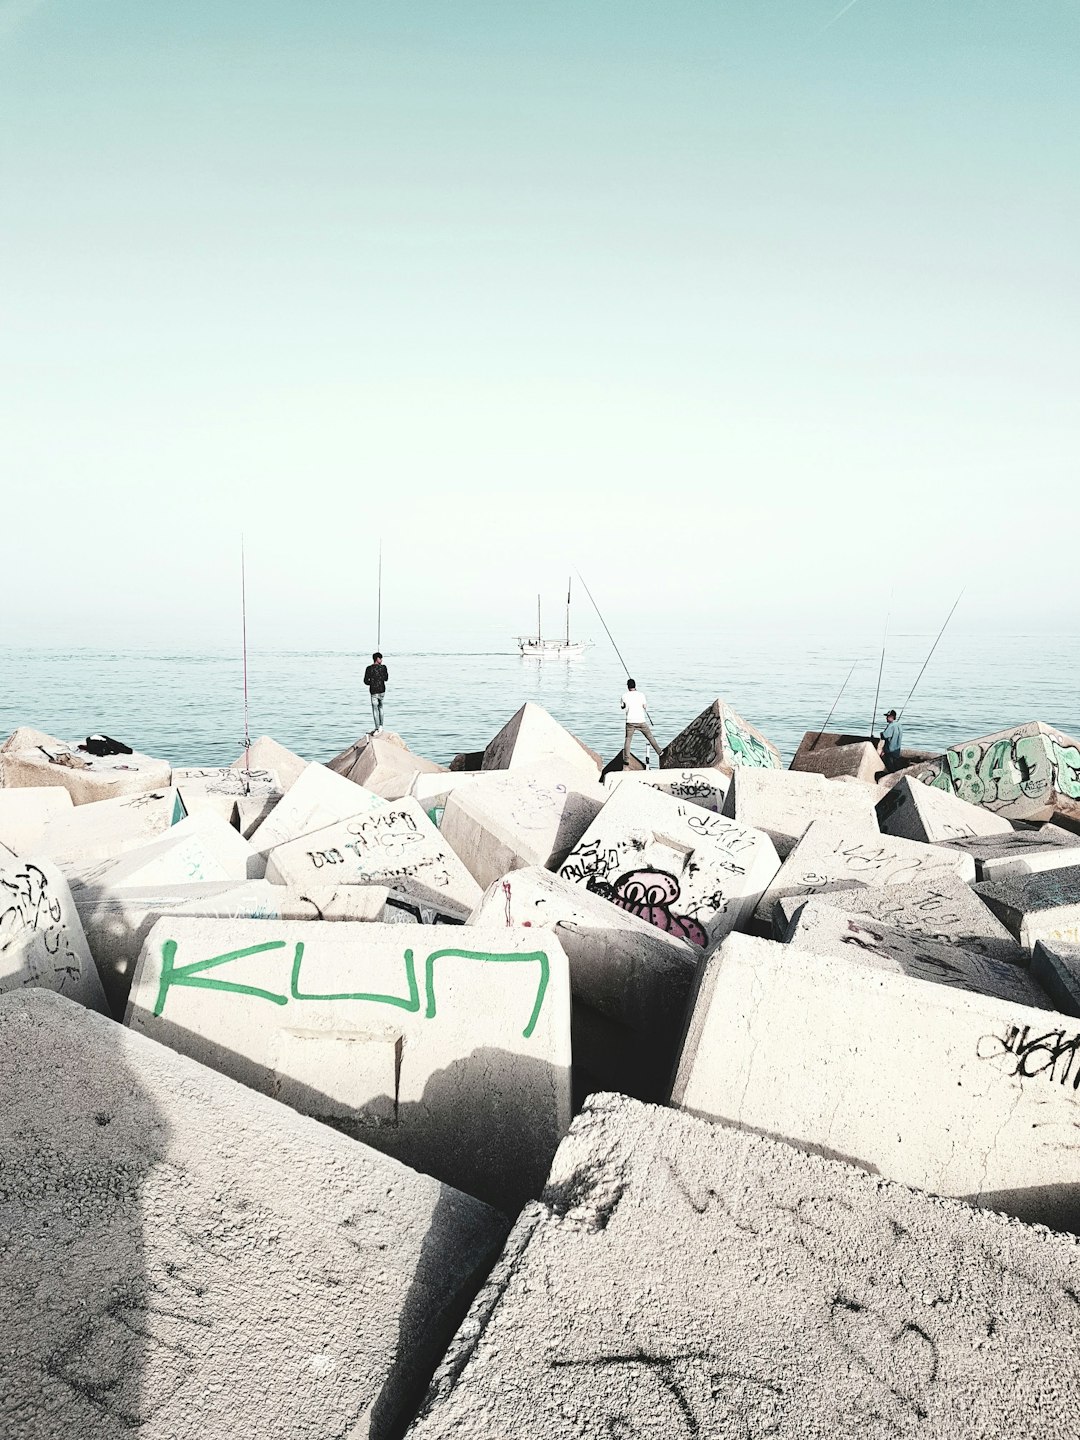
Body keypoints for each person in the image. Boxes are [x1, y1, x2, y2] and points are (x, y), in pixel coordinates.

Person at [621, 678, 662, 766]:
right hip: (641, 721)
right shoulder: (641, 695)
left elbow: (622, 706)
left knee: (628, 739)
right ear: (635, 686)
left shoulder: (624, 695)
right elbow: (644, 706)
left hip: (630, 722)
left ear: (628, 686)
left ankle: (626, 759)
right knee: (650, 737)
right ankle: (659, 752)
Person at [363, 651, 388, 732]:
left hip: (373, 691)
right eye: (381, 658)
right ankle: (381, 726)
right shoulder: (383, 667)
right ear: (377, 659)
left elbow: (366, 681)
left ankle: (377, 728)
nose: (382, 660)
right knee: (381, 707)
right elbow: (386, 678)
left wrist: (372, 682)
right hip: (382, 690)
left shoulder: (369, 668)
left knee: (375, 709)